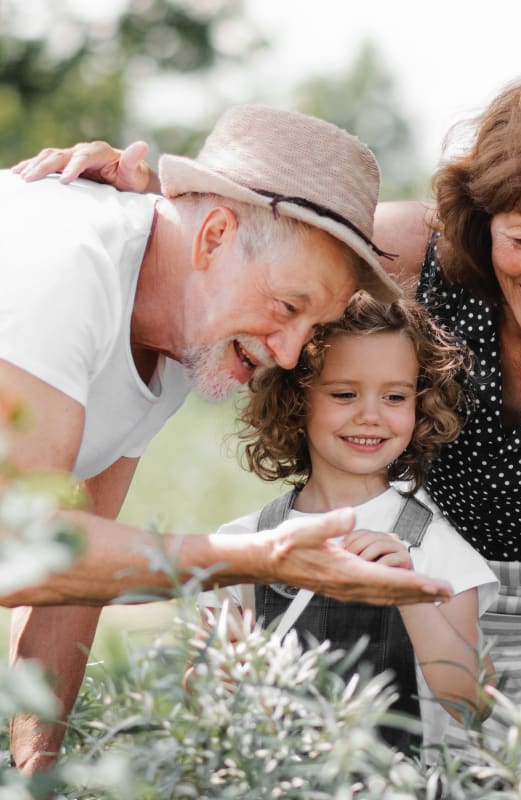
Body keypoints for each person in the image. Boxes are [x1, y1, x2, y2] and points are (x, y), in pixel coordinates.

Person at [17, 66, 521, 730]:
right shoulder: (413, 255)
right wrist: (145, 210)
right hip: (442, 589)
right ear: (483, 224)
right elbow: (261, 240)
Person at [0, 105, 453, 774]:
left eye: (314, 324)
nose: (293, 352)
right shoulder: (70, 266)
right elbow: (21, 551)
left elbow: (75, 572)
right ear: (211, 237)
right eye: (288, 307)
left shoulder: (182, 332)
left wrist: (32, 780)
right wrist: (262, 556)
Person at [195, 290, 498, 756]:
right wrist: (221, 664)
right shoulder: (243, 543)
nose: (370, 415)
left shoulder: (433, 547)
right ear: (297, 400)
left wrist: (411, 596)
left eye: (395, 396)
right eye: (344, 393)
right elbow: (202, 701)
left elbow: (474, 703)